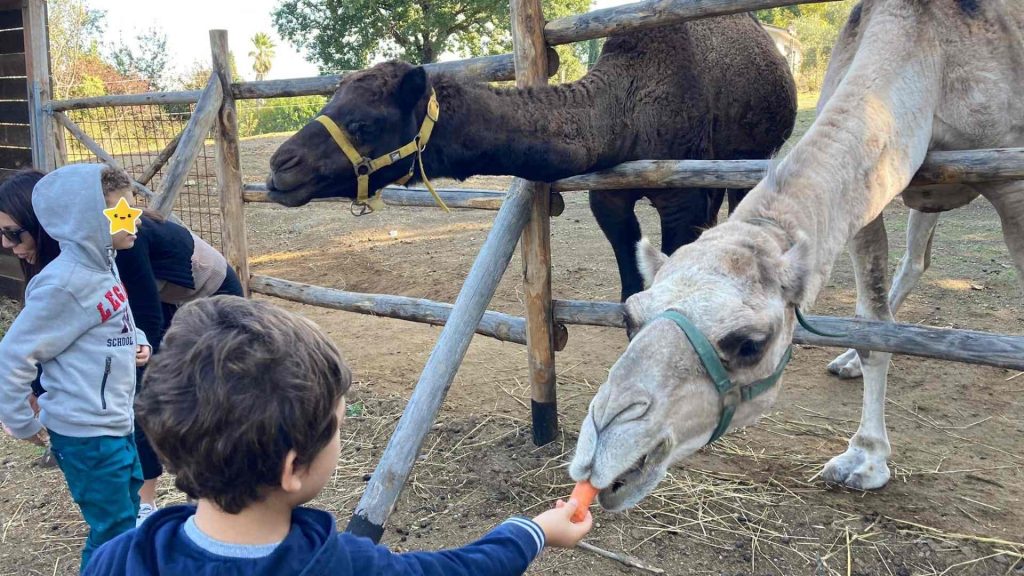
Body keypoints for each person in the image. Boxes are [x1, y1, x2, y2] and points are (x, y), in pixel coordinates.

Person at [84, 296, 593, 575]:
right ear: (293, 467)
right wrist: (536, 531)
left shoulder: (120, 559)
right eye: (338, 427)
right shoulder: (345, 567)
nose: (340, 438)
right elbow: (459, 571)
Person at [0, 168, 244, 525]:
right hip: (159, 304)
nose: (6, 243)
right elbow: (53, 339)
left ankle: (161, 498)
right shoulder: (88, 263)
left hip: (207, 302)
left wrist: (141, 352)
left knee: (147, 394)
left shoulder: (118, 247)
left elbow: (141, 314)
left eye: (12, 233)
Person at [0, 163, 151, 571]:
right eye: (122, 212)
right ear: (87, 221)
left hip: (115, 420)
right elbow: (13, 354)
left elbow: (116, 318)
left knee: (127, 508)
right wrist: (24, 422)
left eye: (132, 209)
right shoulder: (63, 284)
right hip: (87, 432)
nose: (133, 219)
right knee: (113, 528)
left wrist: (138, 340)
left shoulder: (105, 266)